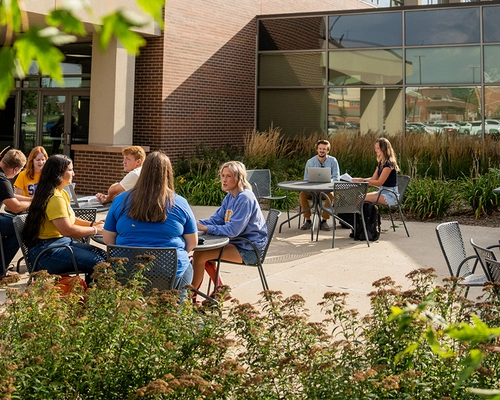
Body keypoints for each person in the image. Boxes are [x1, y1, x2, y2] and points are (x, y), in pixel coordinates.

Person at [102, 151, 197, 301]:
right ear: (168, 173)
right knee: (188, 267)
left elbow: (108, 239)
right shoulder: (180, 203)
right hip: (169, 272)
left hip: (127, 270)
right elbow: (192, 243)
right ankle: (175, 314)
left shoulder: (121, 200)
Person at [23, 154, 106, 282]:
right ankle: (91, 299)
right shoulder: (55, 197)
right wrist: (96, 230)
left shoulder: (61, 192)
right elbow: (68, 230)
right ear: (59, 173)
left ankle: (92, 296)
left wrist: (93, 224)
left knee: (103, 256)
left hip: (59, 244)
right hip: (46, 253)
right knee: (99, 263)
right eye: (70, 170)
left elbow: (70, 220)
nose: (73, 174)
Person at [192, 161, 267, 301]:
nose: (224, 180)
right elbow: (216, 219)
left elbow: (233, 230)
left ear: (238, 178)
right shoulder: (230, 196)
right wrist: (195, 224)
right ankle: (222, 290)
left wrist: (206, 228)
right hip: (239, 243)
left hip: (250, 249)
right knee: (203, 255)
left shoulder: (245, 198)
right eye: (222, 175)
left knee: (199, 256)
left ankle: (189, 298)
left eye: (229, 176)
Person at [0, 149, 32, 274]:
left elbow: (10, 195)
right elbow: (15, 207)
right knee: (22, 226)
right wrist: (33, 204)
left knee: (13, 223)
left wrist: (32, 199)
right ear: (15, 169)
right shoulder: (2, 180)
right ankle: (1, 269)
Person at [299, 139, 340, 231]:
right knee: (302, 194)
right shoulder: (310, 162)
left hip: (325, 191)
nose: (322, 150)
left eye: (324, 149)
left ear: (328, 150)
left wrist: (328, 181)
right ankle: (308, 220)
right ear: (317, 149)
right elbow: (306, 179)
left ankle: (324, 221)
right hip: (312, 190)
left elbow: (336, 178)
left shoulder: (333, 161)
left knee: (331, 195)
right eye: (320, 148)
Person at [352, 137, 400, 205]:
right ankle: (361, 215)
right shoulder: (381, 162)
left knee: (360, 198)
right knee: (358, 197)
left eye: (378, 148)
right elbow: (373, 179)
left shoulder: (389, 164)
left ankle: (359, 215)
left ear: (384, 149)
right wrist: (358, 180)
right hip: (381, 191)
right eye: (375, 148)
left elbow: (379, 182)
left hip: (390, 195)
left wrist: (363, 180)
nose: (375, 150)